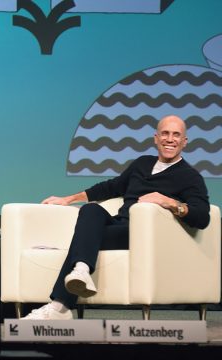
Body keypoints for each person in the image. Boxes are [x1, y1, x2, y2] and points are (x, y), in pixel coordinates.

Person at [23, 114, 210, 320]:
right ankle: (81, 271)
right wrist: (68, 199)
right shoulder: (142, 163)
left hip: (145, 236)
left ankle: (60, 307)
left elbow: (202, 217)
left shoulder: (190, 177)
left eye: (176, 135)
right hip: (120, 226)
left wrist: (170, 202)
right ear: (156, 138)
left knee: (84, 239)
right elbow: (110, 187)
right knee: (91, 210)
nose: (170, 139)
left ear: (184, 142)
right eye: (165, 133)